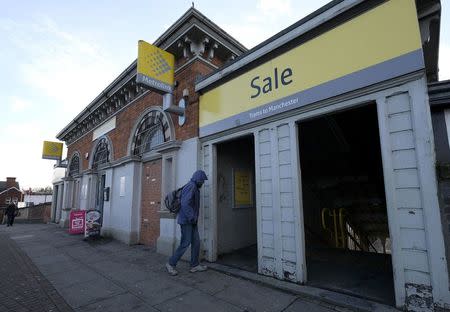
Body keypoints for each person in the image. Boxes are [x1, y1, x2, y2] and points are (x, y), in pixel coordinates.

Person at [166, 170, 208, 275]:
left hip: (191, 221)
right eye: (202, 181)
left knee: (196, 242)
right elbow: (185, 204)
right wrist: (192, 216)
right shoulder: (191, 186)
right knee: (185, 243)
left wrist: (193, 218)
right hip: (187, 221)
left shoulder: (194, 187)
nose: (203, 183)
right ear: (198, 179)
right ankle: (171, 264)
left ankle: (194, 265)